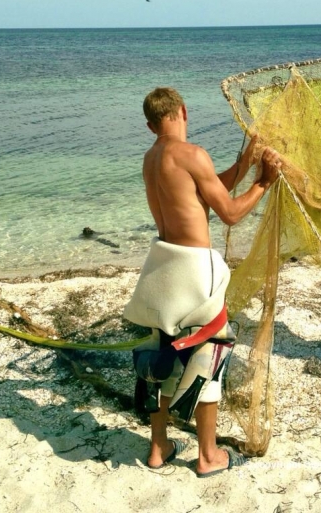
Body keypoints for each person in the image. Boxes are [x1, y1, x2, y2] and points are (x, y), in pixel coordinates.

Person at [128, 87, 280, 476]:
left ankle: (159, 448)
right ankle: (209, 456)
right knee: (210, 355)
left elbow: (204, 190)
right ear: (183, 111)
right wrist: (264, 182)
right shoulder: (192, 154)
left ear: (149, 126)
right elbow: (228, 213)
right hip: (196, 270)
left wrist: (245, 163)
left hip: (161, 267)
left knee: (163, 359)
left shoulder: (150, 157)